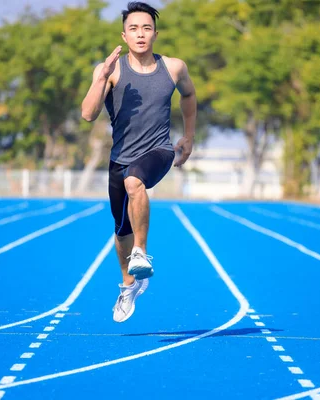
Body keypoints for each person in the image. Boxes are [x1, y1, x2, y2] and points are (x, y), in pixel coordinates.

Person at [81, 1, 197, 323]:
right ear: (124, 35)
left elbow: (188, 96)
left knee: (136, 181)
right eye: (134, 28)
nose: (140, 33)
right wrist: (100, 78)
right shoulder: (111, 71)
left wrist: (188, 137)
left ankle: (141, 252)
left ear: (155, 34)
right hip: (120, 157)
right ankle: (129, 284)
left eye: (146, 28)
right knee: (120, 232)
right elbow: (88, 114)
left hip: (158, 151)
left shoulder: (173, 68)